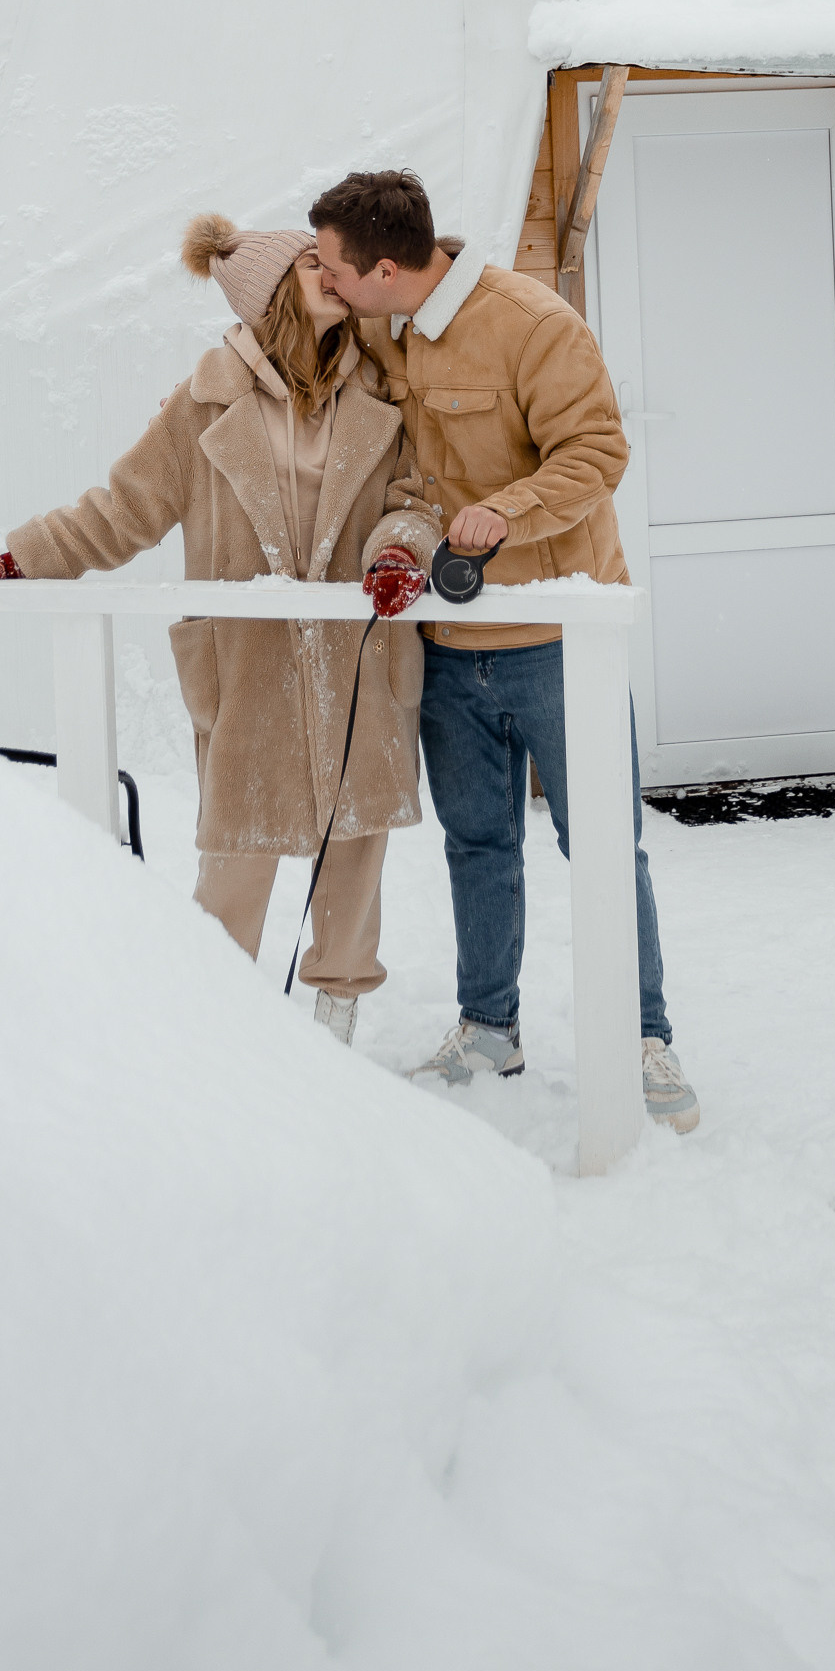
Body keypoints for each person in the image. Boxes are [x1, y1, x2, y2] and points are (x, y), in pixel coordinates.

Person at [0, 216, 436, 1042]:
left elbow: (416, 499)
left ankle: (337, 1026)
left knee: (355, 851)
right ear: (272, 294)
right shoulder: (201, 407)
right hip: (247, 667)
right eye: (313, 265)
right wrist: (18, 557)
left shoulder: (382, 386)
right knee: (236, 862)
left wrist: (396, 553)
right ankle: (220, 1041)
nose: (333, 273)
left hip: (358, 662)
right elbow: (123, 511)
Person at [309, 167, 701, 1132]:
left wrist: (506, 511)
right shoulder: (379, 324)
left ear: (388, 268)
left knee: (601, 843)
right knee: (476, 844)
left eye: (334, 268)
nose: (325, 283)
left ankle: (645, 1037)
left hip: (558, 639)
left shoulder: (531, 325)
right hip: (448, 641)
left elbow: (598, 452)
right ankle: (490, 1029)